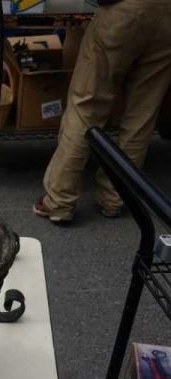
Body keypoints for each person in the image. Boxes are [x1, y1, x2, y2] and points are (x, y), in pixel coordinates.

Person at [34, 0, 171, 223]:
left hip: (124, 10)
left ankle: (60, 200)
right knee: (142, 115)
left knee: (86, 105)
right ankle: (115, 197)